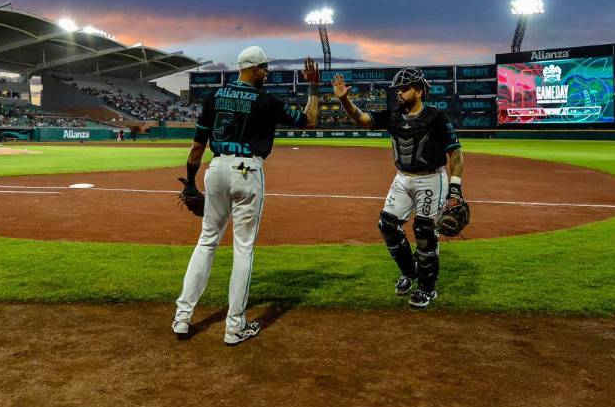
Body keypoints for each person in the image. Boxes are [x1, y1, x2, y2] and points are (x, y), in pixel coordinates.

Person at [173, 47, 320, 345]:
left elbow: (198, 146)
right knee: (243, 248)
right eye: (264, 68)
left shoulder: (214, 97)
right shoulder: (266, 101)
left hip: (215, 169)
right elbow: (309, 120)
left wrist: (190, 182)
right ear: (253, 69)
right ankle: (234, 326)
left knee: (206, 241)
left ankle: (182, 317)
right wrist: (313, 87)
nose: (266, 73)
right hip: (246, 170)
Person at [333, 68, 464, 309]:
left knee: (424, 233)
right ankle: (409, 272)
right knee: (387, 226)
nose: (400, 93)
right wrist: (343, 99)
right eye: (398, 89)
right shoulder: (393, 116)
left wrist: (455, 190)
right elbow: (362, 119)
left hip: (431, 179)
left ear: (420, 91)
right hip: (403, 178)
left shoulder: (436, 117)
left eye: (405, 88)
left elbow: (455, 154)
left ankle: (427, 288)